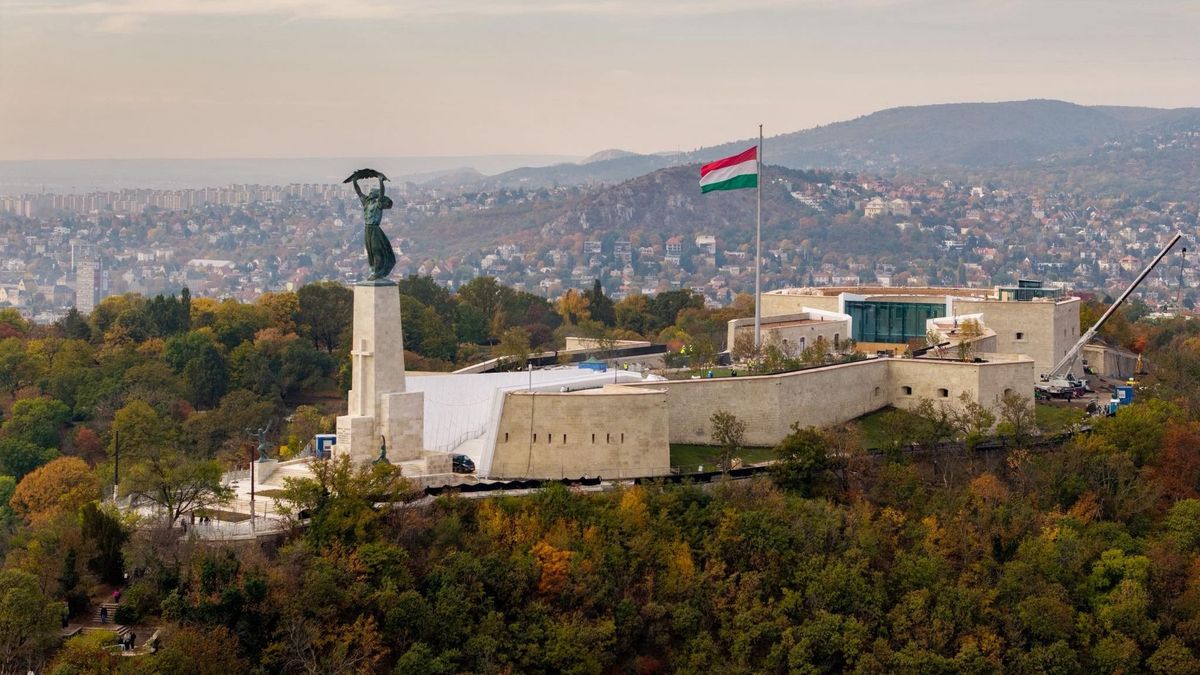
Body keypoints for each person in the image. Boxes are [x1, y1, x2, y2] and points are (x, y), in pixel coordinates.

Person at [352, 175, 396, 280]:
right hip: (367, 229)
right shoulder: (366, 203)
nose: (370, 194)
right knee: (370, 251)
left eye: (372, 193)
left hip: (375, 229)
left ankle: (377, 272)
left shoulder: (378, 204)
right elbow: (359, 192)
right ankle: (374, 270)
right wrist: (354, 181)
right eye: (370, 193)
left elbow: (382, 193)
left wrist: (381, 181)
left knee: (377, 250)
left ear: (375, 195)